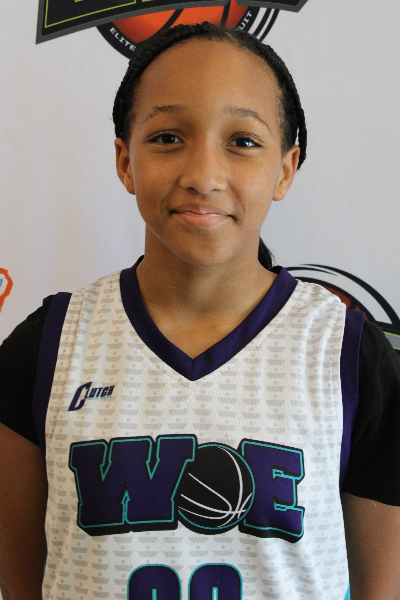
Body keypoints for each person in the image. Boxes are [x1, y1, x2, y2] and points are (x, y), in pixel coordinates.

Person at [0, 21, 400, 600]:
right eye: (167, 137)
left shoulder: (345, 352)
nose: (203, 176)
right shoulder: (48, 347)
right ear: (125, 160)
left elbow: (380, 589)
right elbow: (24, 584)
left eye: (243, 141)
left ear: (285, 168)